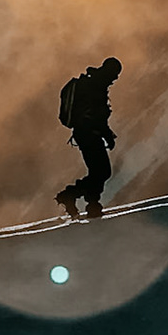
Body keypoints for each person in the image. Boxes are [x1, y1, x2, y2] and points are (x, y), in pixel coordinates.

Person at [55, 57, 121, 219]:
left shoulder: (94, 83)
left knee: (98, 171)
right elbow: (97, 116)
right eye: (115, 74)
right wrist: (106, 134)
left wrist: (105, 133)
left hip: (85, 134)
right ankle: (77, 198)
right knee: (102, 171)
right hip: (89, 134)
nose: (115, 78)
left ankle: (89, 203)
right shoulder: (97, 86)